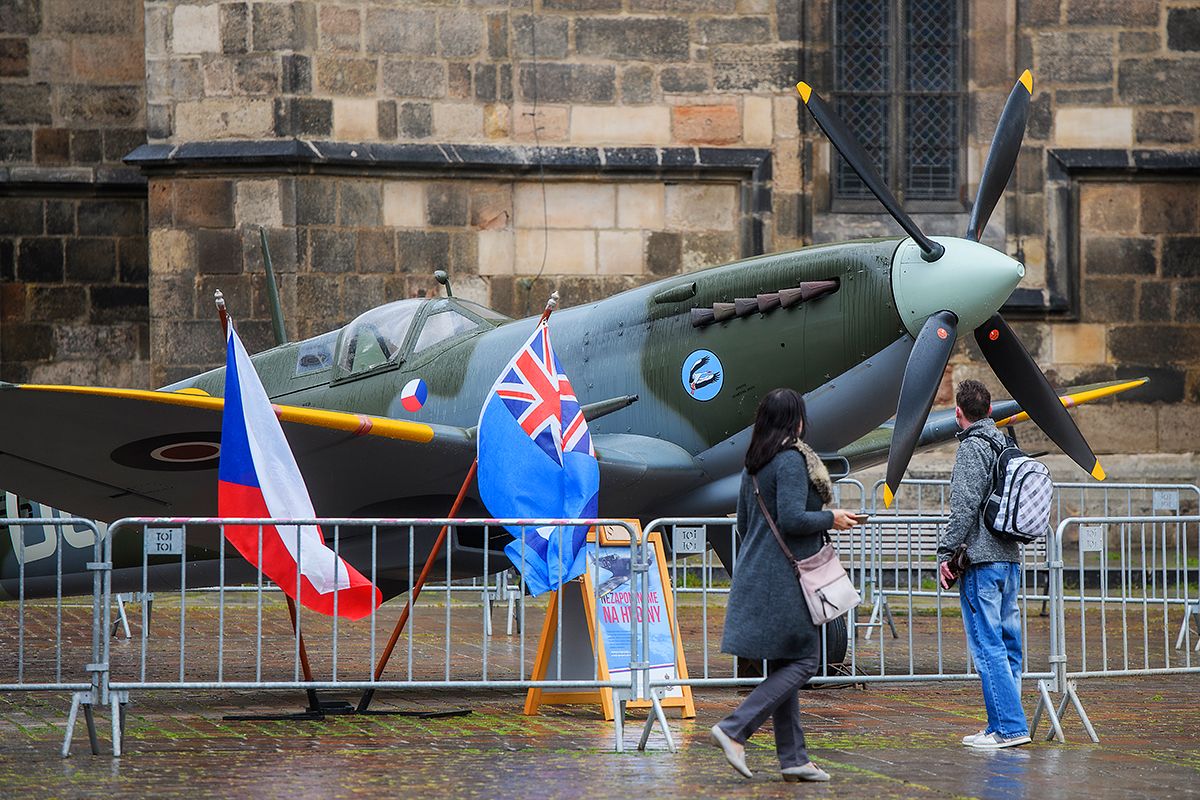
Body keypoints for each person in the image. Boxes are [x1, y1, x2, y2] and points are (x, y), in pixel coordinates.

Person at [710, 387, 862, 782]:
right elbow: (793, 519)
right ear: (795, 421)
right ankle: (734, 728)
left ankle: (793, 757)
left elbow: (745, 524)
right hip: (787, 579)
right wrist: (834, 519)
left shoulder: (753, 465)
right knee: (807, 660)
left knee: (784, 663)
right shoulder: (792, 460)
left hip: (758, 573)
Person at [938, 379, 1031, 749]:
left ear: (958, 413)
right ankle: (1003, 724)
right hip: (1010, 560)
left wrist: (945, 553)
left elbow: (963, 507)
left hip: (982, 561)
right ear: (990, 411)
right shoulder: (1007, 444)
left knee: (987, 645)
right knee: (1009, 646)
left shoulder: (971, 448)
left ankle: (1009, 727)